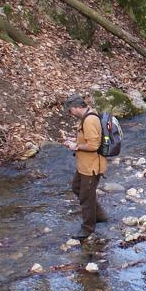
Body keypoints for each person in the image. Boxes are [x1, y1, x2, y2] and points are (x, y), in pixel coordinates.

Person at [63, 93, 108, 239]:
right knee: (77, 187)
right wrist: (75, 140)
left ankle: (88, 229)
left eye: (69, 110)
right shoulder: (88, 116)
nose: (69, 114)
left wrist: (75, 146)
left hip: (92, 166)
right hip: (84, 165)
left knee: (86, 198)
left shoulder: (89, 120)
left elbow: (93, 145)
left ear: (76, 108)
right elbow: (88, 138)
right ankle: (100, 215)